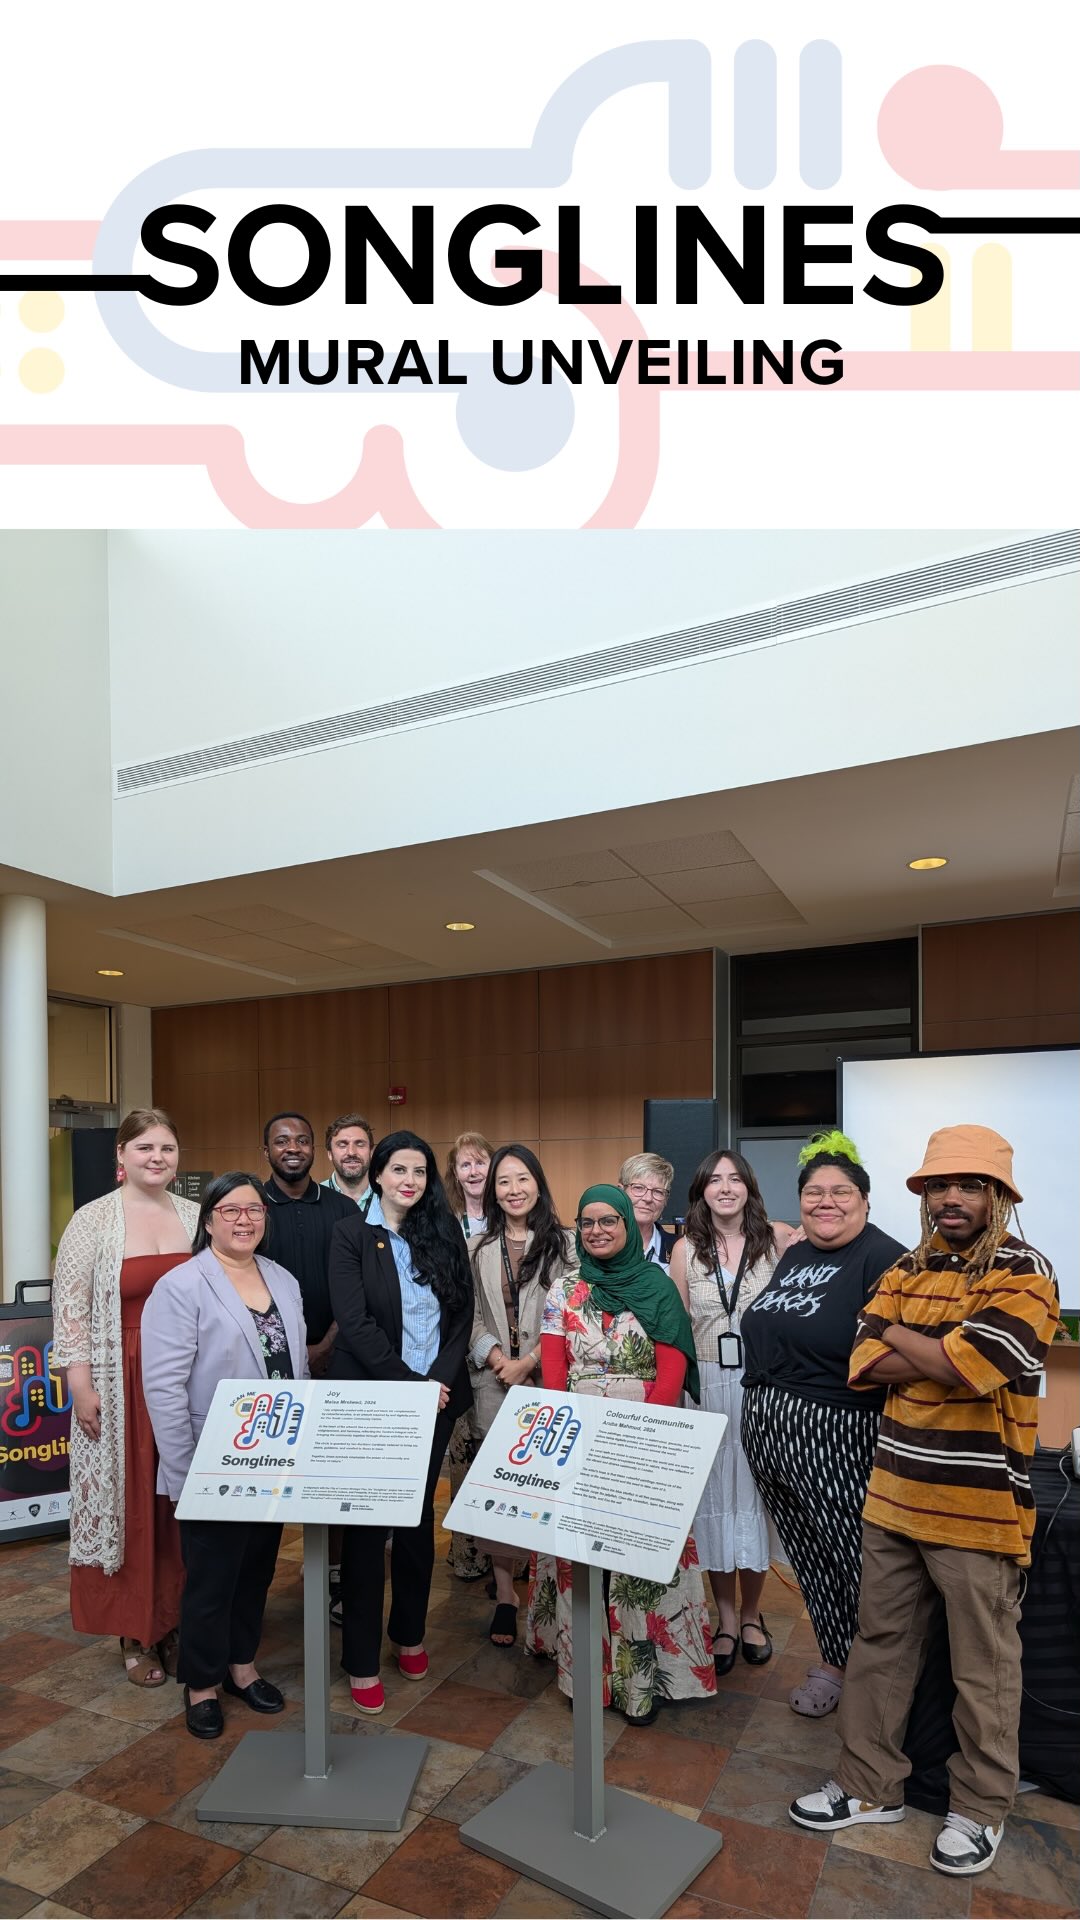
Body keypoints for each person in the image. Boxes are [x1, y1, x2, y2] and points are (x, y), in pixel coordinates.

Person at [790, 1126, 1060, 1878]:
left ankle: (978, 1811)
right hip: (895, 1496)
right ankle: (867, 1784)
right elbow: (863, 1357)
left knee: (985, 1669)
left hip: (979, 1511)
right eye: (938, 1186)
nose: (950, 1198)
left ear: (999, 1196)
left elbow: (970, 1368)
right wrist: (930, 1351)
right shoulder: (909, 1265)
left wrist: (909, 1340)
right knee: (880, 1649)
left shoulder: (1028, 1272)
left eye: (969, 1185)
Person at [524, 1185, 716, 1725]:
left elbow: (673, 1366)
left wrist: (643, 1436)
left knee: (638, 1559)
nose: (597, 1231)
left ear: (629, 1224)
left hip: (643, 1431)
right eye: (587, 1222)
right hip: (580, 1432)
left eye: (609, 1220)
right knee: (582, 1558)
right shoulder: (565, 1289)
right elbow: (555, 1368)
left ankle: (640, 1685)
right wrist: (570, 1429)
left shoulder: (656, 1284)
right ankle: (585, 1674)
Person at [740, 1131, 906, 1717]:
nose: (825, 1201)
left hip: (837, 1436)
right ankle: (837, 1660)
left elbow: (889, 1355)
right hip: (771, 1432)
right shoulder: (797, 1254)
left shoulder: (886, 1259)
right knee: (811, 1561)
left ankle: (879, 1683)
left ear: (865, 1199)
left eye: (840, 1191)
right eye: (813, 1191)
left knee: (853, 1561)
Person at [141, 1172, 308, 1738]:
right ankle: (202, 1684)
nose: (244, 1219)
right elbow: (163, 1388)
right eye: (230, 1210)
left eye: (254, 1210)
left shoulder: (283, 1279)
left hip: (275, 1459)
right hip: (211, 1463)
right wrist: (185, 1473)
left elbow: (297, 1368)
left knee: (257, 1570)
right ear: (208, 1219)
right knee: (211, 1578)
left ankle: (243, 1666)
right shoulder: (181, 1285)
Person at [51, 1107, 199, 1689]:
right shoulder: (92, 1221)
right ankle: (135, 1634)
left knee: (179, 1505)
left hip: (185, 1378)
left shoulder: (195, 1215)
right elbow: (70, 1311)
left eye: (166, 1148)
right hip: (120, 1378)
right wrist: (80, 1387)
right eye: (144, 1148)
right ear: (121, 1156)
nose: (156, 1158)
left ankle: (181, 1618)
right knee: (132, 1502)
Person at [328, 1130, 473, 1715]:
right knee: (367, 1531)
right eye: (399, 1170)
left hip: (435, 1398)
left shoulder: (442, 1230)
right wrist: (409, 1386)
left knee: (416, 1522)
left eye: (420, 1171)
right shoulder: (350, 1234)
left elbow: (461, 1313)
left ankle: (409, 1632)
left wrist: (433, 1382)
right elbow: (354, 1322)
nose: (410, 1180)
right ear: (379, 1174)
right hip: (373, 1397)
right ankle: (361, 1658)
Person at [670, 1150, 796, 1676]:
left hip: (761, 1386)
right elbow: (676, 1330)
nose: (726, 1187)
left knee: (756, 1499)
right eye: (715, 1180)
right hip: (705, 1389)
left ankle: (750, 1614)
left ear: (749, 1186)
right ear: (701, 1191)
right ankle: (723, 1618)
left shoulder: (780, 1240)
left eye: (735, 1178)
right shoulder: (685, 1250)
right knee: (714, 1501)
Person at [466, 1145, 576, 1645]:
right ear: (494, 1190)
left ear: (538, 1183)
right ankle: (507, 1592)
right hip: (492, 1382)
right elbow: (466, 1315)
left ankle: (549, 1590)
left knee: (548, 1486)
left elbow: (573, 1313)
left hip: (549, 1376)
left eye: (522, 1178)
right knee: (500, 1491)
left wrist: (528, 1362)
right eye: (504, 1181)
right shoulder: (477, 1248)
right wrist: (497, 1361)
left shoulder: (568, 1246)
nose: (513, 1190)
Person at [261, 1111, 354, 1375]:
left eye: (302, 1141)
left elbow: (359, 1287)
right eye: (282, 1141)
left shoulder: (345, 1210)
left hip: (337, 1354)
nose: (293, 1148)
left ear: (313, 1149)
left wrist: (326, 1345)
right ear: (266, 1151)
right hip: (266, 1353)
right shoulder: (253, 1211)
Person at [443, 1130, 494, 1580]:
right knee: (465, 1454)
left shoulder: (509, 1216)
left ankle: (511, 1557)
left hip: (505, 1357)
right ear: (455, 1173)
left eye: (481, 1162)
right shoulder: (444, 1219)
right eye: (466, 1165)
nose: (474, 1171)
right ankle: (469, 1552)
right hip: (456, 1351)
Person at [618, 1152, 677, 1266]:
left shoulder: (679, 1249)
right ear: (621, 1191)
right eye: (639, 1188)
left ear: (666, 1200)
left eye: (658, 1192)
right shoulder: (601, 1243)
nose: (648, 1198)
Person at [322, 1112, 376, 1212]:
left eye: (360, 1144)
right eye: (342, 1145)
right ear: (330, 1153)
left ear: (371, 1152)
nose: (351, 1152)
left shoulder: (388, 1195)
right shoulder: (316, 1197)